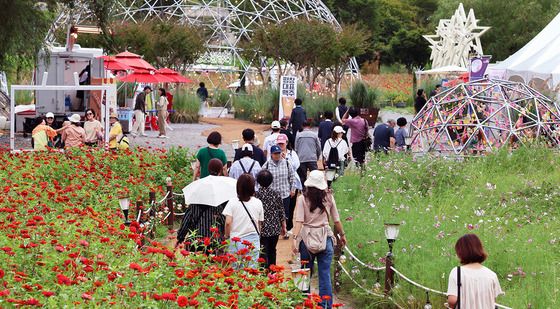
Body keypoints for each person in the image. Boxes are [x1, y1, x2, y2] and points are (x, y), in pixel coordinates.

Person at [291, 170, 347, 309]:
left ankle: (306, 304)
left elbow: (299, 221)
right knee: (324, 275)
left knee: (304, 273)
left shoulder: (302, 199)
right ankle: (325, 305)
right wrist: (342, 235)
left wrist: (294, 238)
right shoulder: (328, 197)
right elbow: (336, 220)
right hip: (325, 238)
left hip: (307, 238)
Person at [176, 159, 227, 252]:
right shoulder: (222, 192)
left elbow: (187, 219)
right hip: (214, 242)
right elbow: (224, 220)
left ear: (207, 169)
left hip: (196, 242)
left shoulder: (198, 189)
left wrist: (180, 237)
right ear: (220, 171)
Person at [447, 234, 503, 309]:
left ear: (461, 252)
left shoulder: (457, 272)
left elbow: (452, 301)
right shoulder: (491, 275)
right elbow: (492, 300)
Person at [223, 174, 264, 269]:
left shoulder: (232, 202)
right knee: (251, 271)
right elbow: (259, 223)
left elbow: (228, 222)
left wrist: (226, 236)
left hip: (236, 240)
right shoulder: (258, 202)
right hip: (253, 240)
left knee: (235, 269)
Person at [255, 170, 286, 269]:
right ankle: (273, 270)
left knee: (263, 250)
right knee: (272, 250)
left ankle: (262, 272)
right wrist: (284, 226)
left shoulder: (256, 195)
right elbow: (281, 211)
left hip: (262, 228)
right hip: (274, 227)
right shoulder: (276, 194)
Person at [263, 145, 296, 228]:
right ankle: (276, 229)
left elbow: (292, 176)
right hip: (272, 195)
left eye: (278, 153)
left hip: (285, 194)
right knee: (273, 213)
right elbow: (261, 179)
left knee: (285, 213)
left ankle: (284, 230)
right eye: (275, 154)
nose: (277, 155)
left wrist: (293, 189)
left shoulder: (287, 163)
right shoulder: (266, 165)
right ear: (271, 154)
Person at [276, 133, 302, 233]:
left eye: (282, 143)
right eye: (279, 143)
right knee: (279, 207)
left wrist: (286, 159)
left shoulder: (292, 153)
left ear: (286, 143)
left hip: (292, 183)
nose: (281, 145)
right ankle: (280, 226)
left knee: (291, 206)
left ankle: (289, 226)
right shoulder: (274, 153)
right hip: (279, 184)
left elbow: (296, 165)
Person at [295, 121, 321, 186]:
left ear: (302, 126)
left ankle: (303, 191)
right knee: (315, 176)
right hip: (312, 158)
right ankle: (315, 189)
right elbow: (319, 147)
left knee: (302, 177)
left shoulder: (298, 135)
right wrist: (317, 156)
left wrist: (297, 157)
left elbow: (296, 148)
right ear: (310, 126)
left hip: (301, 159)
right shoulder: (314, 135)